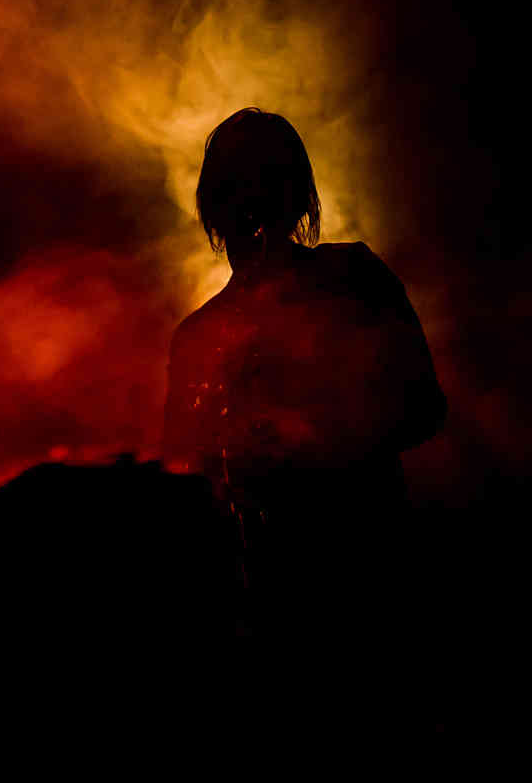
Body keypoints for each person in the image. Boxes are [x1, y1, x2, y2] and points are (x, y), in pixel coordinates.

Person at [162, 108, 447, 694]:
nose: (251, 210)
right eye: (237, 191)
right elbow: (182, 489)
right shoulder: (199, 338)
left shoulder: (353, 279)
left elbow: (423, 407)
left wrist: (313, 442)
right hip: (271, 618)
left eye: (261, 188)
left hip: (368, 594)